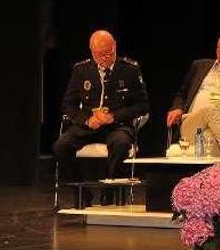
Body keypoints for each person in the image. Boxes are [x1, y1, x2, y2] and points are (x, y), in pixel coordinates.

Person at [53, 30, 149, 206]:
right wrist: (88, 119)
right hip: (89, 125)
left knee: (120, 144)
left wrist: (113, 116)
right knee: (61, 147)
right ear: (92, 52)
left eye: (109, 53)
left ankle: (109, 193)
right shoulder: (81, 70)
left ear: (115, 47)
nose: (105, 58)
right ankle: (82, 192)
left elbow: (142, 106)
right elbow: (69, 105)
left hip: (117, 126)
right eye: (100, 54)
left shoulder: (130, 69)